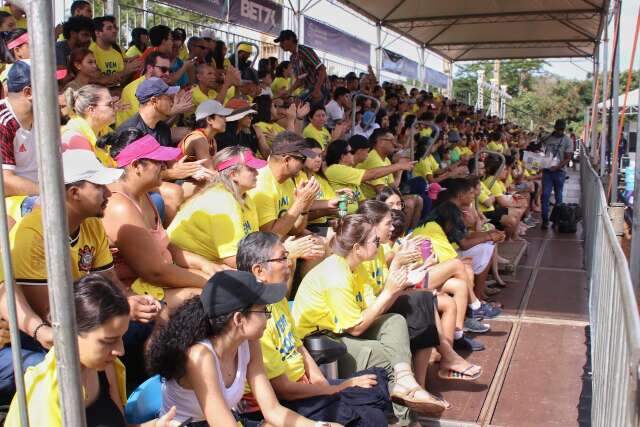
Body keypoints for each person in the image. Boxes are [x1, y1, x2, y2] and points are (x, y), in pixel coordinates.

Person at [8, 150, 162, 388]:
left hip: (88, 317)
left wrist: (130, 300)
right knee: (99, 347)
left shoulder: (92, 224)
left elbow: (110, 281)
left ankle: (136, 401)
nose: (109, 193)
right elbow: (50, 312)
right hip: (46, 333)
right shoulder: (34, 235)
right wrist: (120, 309)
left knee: (153, 319)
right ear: (74, 193)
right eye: (99, 186)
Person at [292, 214, 451, 421]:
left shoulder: (356, 267)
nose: (380, 244)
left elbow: (372, 309)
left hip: (340, 331)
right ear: (357, 247)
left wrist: (395, 286)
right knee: (388, 357)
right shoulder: (336, 276)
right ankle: (408, 421)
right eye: (375, 241)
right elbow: (357, 328)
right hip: (322, 343)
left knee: (395, 320)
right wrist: (389, 292)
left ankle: (406, 381)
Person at [236, 232, 391, 426]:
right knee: (367, 415)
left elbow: (298, 346)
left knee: (376, 381)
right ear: (259, 271)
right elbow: (283, 389)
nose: (290, 264)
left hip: (306, 390)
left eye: (288, 257)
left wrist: (324, 385)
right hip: (285, 401)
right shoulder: (254, 321)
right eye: (283, 258)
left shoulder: (278, 298)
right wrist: (334, 389)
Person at [146, 270, 333, 426]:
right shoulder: (200, 356)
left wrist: (319, 425)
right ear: (239, 319)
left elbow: (272, 410)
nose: (268, 318)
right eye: (263, 311)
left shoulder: (250, 343)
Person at [5, 274, 178, 427]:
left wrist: (156, 425)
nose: (120, 351)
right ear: (72, 334)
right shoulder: (46, 396)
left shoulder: (106, 367)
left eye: (121, 338)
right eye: (108, 341)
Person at [102, 132, 211, 310]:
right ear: (137, 165)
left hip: (153, 285)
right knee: (221, 295)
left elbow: (165, 245)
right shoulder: (120, 206)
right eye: (158, 161)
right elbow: (155, 272)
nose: (166, 166)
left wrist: (206, 265)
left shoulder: (143, 194)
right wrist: (209, 281)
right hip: (131, 296)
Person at [168, 146, 265, 269]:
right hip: (180, 263)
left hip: (209, 261)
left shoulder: (244, 197)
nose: (257, 172)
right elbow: (234, 259)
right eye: (251, 169)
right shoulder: (222, 201)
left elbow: (252, 244)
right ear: (233, 174)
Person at [247, 131, 320, 237]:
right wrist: (300, 202)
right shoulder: (261, 185)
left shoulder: (288, 180)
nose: (304, 165)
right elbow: (270, 237)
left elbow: (294, 230)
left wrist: (305, 208)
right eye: (303, 160)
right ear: (287, 160)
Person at [61, 84, 118, 166]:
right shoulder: (73, 137)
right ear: (91, 109)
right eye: (110, 104)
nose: (115, 108)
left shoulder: (105, 130)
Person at [274, 30, 330, 106]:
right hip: (310, 89)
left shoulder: (304, 50)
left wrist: (317, 89)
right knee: (297, 106)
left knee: (304, 109)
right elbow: (300, 80)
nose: (280, 45)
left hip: (320, 88)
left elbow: (322, 69)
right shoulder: (292, 58)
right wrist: (288, 92)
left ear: (290, 39)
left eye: (282, 41)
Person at [116, 51, 172, 126]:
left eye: (170, 70)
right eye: (163, 69)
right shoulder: (135, 89)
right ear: (149, 68)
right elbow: (148, 123)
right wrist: (175, 110)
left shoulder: (161, 86)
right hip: (133, 133)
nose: (167, 74)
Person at [178, 99, 232, 169]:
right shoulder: (198, 139)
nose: (225, 120)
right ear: (209, 120)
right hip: (179, 179)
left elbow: (213, 167)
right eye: (221, 116)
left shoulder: (211, 140)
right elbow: (210, 171)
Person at [540, 119, 573, 229]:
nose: (560, 131)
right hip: (547, 170)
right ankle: (545, 220)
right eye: (558, 129)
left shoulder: (567, 140)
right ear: (555, 128)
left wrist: (557, 167)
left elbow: (568, 157)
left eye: (562, 129)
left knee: (559, 197)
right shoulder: (548, 137)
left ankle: (557, 220)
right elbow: (539, 145)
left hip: (559, 171)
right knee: (545, 195)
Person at [90, 16, 140, 83]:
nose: (114, 31)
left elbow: (121, 81)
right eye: (109, 28)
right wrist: (125, 71)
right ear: (98, 33)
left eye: (114, 28)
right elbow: (95, 80)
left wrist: (131, 70)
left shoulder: (116, 54)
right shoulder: (90, 52)